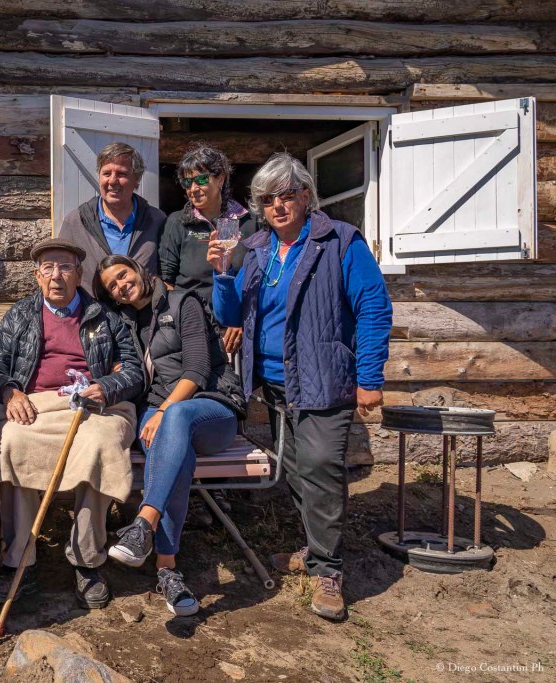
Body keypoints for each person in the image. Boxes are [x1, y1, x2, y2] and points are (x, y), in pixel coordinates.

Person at [208, 152, 392, 621]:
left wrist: (369, 378)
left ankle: (328, 569)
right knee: (293, 466)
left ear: (306, 195)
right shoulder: (256, 249)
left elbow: (373, 308)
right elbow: (231, 317)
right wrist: (223, 274)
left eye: (287, 195)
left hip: (323, 377)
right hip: (273, 382)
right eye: (268, 199)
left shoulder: (340, 241)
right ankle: (314, 551)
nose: (278, 205)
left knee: (321, 467)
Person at [0, 238, 143, 610]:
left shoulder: (104, 316)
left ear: (78, 274)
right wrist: (9, 393)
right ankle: (18, 559)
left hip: (94, 406)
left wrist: (107, 385)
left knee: (102, 446)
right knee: (12, 444)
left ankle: (88, 560)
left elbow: (134, 371)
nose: (57, 276)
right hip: (37, 405)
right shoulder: (20, 315)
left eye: (65, 267)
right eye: (49, 268)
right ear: (37, 276)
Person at [94, 254, 246, 616]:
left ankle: (143, 522)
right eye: (113, 287)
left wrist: (163, 411)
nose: (121, 286)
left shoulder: (183, 302)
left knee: (175, 418)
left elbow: (196, 369)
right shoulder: (126, 322)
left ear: (137, 270)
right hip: (160, 416)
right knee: (178, 453)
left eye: (123, 275)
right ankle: (167, 569)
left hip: (211, 407)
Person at [159, 144, 256, 354]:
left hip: (240, 331)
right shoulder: (177, 223)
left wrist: (239, 319)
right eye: (187, 182)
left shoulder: (250, 223)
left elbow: (259, 280)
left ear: (220, 178)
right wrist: (185, 323)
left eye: (201, 179)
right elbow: (166, 281)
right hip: (192, 329)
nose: (193, 188)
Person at [57, 141, 166, 293]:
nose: (112, 181)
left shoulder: (156, 220)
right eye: (106, 173)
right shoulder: (77, 221)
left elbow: (168, 274)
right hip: (93, 313)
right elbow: (62, 271)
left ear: (136, 180)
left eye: (121, 174)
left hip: (144, 314)